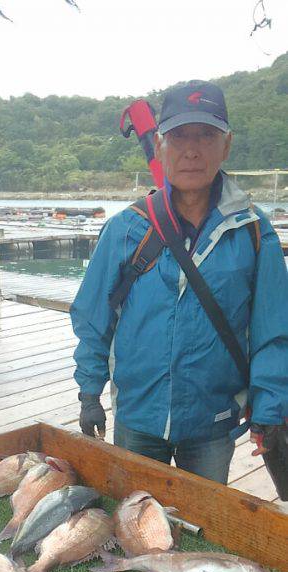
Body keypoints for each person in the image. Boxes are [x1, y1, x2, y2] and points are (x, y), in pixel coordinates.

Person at [70, 80, 288, 485]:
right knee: (135, 513)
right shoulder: (126, 228)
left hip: (212, 421)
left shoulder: (254, 232)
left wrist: (270, 408)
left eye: (206, 135)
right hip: (137, 415)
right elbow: (93, 318)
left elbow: (273, 333)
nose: (192, 150)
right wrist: (89, 393)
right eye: (179, 136)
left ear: (226, 145)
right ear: (159, 145)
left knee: (202, 518)